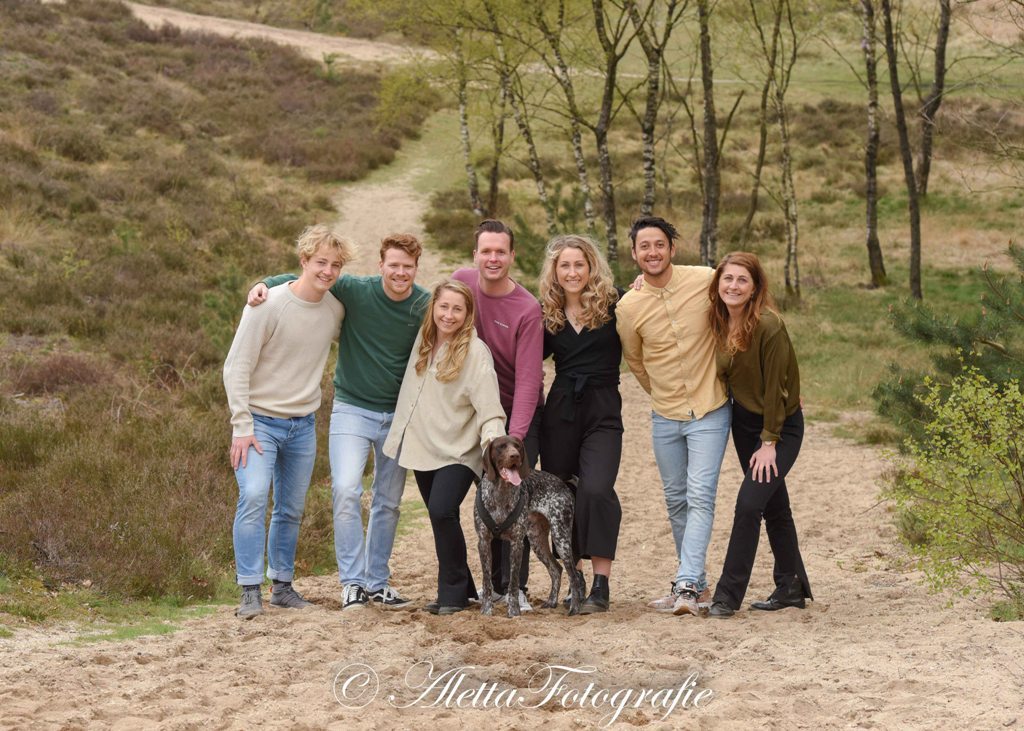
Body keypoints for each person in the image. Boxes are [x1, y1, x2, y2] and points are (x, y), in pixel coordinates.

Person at [247, 234, 427, 611]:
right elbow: (307, 278)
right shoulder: (356, 290)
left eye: (407, 267)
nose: (400, 273)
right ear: (381, 266)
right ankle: (352, 584)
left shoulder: (423, 304)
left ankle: (377, 582)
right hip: (352, 409)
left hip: (399, 416)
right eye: (393, 265)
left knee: (388, 501)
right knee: (346, 489)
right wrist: (264, 283)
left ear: (416, 268)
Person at [224, 225, 353, 619]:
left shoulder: (334, 311)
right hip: (258, 424)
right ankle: (249, 590)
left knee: (291, 508)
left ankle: (281, 586)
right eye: (320, 262)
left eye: (335, 265)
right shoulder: (267, 305)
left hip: (302, 425)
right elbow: (236, 367)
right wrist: (241, 425)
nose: (327, 271)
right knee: (254, 496)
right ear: (304, 261)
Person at [615, 216, 731, 617]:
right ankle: (697, 583)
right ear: (634, 254)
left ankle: (685, 584)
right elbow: (635, 360)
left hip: (710, 409)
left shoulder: (705, 280)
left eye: (659, 245)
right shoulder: (629, 307)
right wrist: (662, 392)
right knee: (676, 499)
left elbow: (743, 292)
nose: (653, 252)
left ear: (672, 249)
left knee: (700, 495)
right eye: (644, 246)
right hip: (665, 415)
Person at [383, 280, 506, 615]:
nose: (449, 315)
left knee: (442, 510)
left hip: (459, 449)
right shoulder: (423, 341)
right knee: (440, 518)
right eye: (443, 307)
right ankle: (463, 586)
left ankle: (451, 595)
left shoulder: (475, 352)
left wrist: (495, 451)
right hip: (423, 445)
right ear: (433, 308)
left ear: (468, 314)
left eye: (457, 309)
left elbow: (490, 408)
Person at [704, 252, 812, 618]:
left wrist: (769, 442)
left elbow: (778, 387)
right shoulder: (718, 320)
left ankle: (726, 596)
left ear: (755, 288)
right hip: (744, 424)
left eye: (742, 280)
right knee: (774, 505)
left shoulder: (768, 325)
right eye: (727, 278)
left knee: (749, 504)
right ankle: (790, 586)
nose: (733, 286)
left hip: (779, 426)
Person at [451, 219, 544, 612]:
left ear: (512, 256)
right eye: (486, 251)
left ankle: (515, 587)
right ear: (475, 255)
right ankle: (483, 588)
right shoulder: (461, 282)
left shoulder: (527, 308)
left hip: (516, 413)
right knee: (481, 502)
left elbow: (528, 380)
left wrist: (511, 441)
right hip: (472, 411)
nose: (493, 258)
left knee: (514, 500)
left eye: (500, 252)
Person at [537, 234, 623, 614]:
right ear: (555, 271)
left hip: (603, 409)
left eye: (579, 265)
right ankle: (577, 579)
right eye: (564, 266)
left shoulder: (616, 304)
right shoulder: (547, 313)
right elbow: (523, 357)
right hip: (561, 412)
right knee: (562, 494)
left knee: (597, 488)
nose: (572, 273)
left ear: (591, 267)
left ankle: (601, 583)